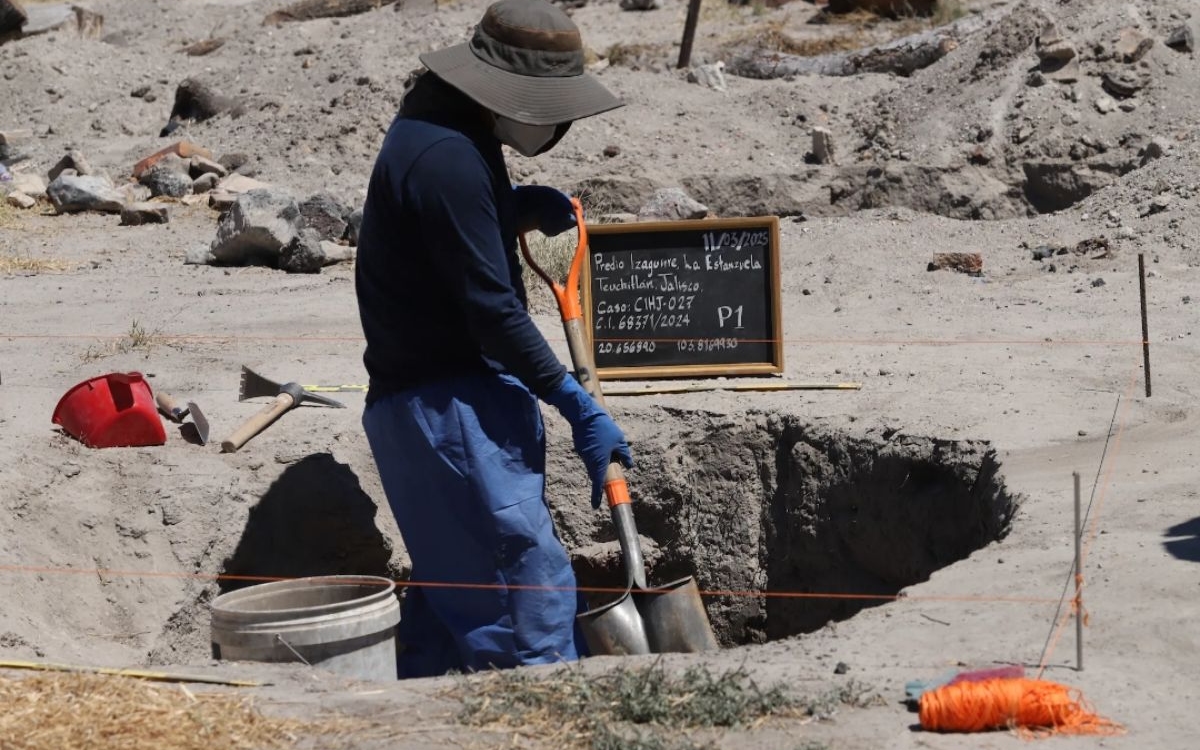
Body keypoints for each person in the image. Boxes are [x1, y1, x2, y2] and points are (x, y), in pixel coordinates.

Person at [355, 0, 632, 678]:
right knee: (524, 609)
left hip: (440, 408)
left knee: (466, 605)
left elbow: (439, 243)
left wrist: (503, 213)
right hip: (449, 413)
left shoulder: (439, 127)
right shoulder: (448, 155)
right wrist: (576, 402)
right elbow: (495, 314)